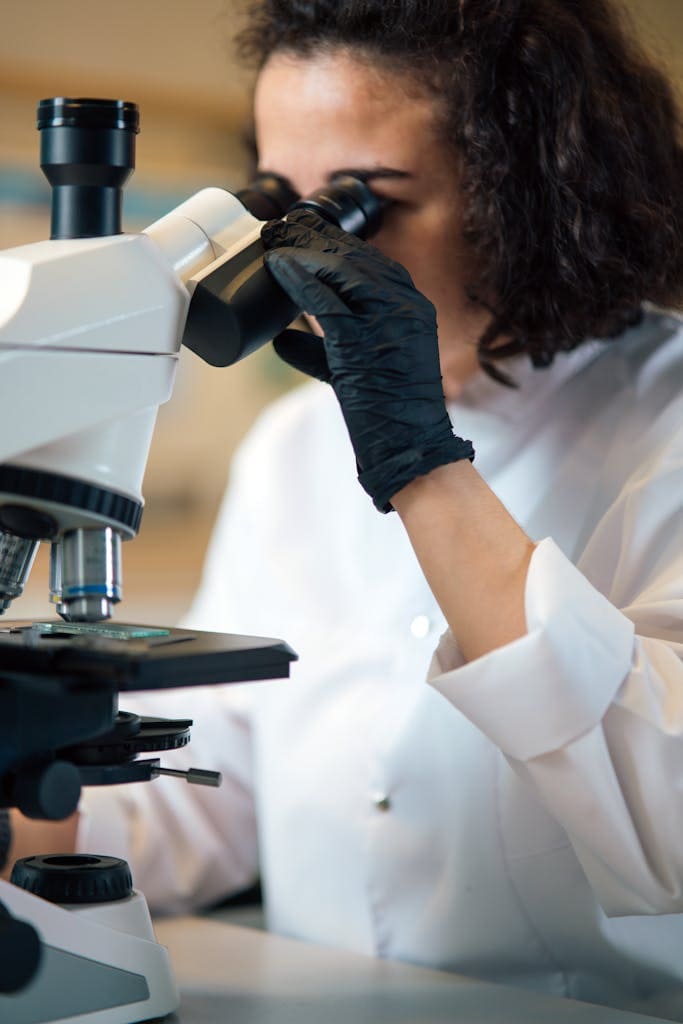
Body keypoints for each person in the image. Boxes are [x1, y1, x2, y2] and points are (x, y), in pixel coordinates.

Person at [6, 0, 683, 1017]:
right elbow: (209, 802)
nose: (307, 255)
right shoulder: (290, 449)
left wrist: (418, 462)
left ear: (532, 196)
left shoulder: (665, 421)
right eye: (281, 204)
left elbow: (663, 820)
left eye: (359, 207)